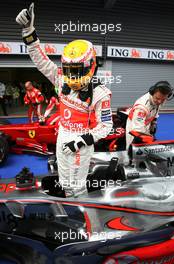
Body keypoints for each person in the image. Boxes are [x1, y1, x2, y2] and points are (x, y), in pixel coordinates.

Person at [16, 3, 113, 197]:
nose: (72, 75)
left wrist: (80, 142)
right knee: (65, 184)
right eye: (69, 70)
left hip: (81, 143)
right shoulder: (60, 80)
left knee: (78, 188)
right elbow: (40, 59)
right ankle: (72, 215)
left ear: (91, 66)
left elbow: (106, 126)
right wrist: (28, 30)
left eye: (77, 70)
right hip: (62, 136)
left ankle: (89, 224)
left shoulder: (101, 92)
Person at [126, 81, 174, 150]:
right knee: (133, 151)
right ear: (152, 93)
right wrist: (150, 141)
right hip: (134, 128)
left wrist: (153, 123)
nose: (160, 102)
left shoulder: (159, 99)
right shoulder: (141, 108)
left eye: (163, 99)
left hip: (146, 123)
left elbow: (156, 111)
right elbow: (137, 130)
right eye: (157, 98)